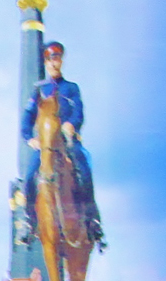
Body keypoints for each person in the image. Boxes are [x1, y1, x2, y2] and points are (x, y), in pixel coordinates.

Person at [20, 41, 105, 249]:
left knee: (84, 171)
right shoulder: (39, 91)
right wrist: (29, 138)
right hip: (45, 147)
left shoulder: (72, 88)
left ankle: (92, 220)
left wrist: (71, 125)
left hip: (68, 144)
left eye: (57, 58)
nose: (53, 63)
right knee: (30, 177)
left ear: (61, 61)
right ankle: (29, 222)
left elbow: (79, 113)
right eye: (50, 59)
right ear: (45, 62)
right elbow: (27, 118)